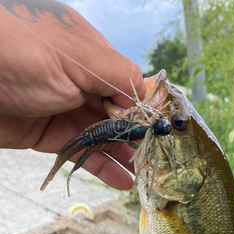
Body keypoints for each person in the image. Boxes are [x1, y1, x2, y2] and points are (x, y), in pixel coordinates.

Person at [0, 0, 146, 190]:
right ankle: (59, 177)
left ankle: (59, 177)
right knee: (79, 148)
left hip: (101, 133)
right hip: (98, 133)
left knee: (79, 148)